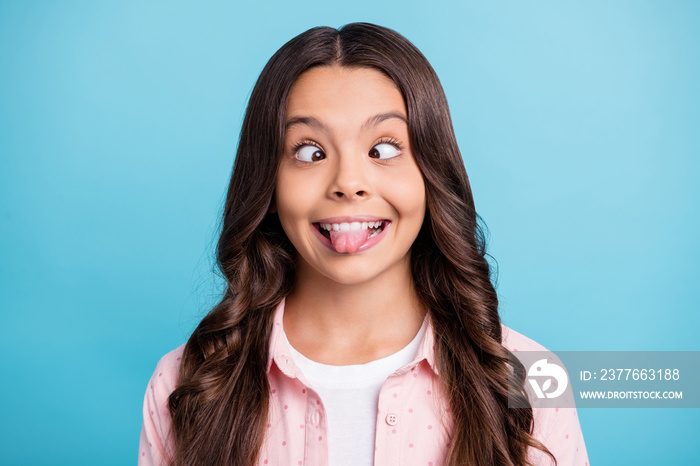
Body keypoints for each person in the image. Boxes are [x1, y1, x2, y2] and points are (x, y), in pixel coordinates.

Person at [139, 22, 589, 466]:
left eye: (384, 149)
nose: (348, 183)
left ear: (430, 173)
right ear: (268, 186)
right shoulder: (186, 383)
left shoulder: (531, 378)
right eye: (310, 151)